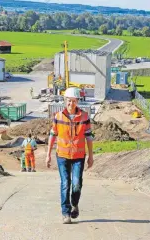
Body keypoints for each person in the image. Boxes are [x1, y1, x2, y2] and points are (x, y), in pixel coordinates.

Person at [45, 87, 94, 224]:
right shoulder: (58, 117)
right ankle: (65, 213)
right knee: (65, 183)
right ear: (64, 101)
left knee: (76, 184)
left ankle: (74, 204)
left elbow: (89, 137)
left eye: (73, 101)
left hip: (79, 156)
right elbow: (52, 135)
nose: (70, 104)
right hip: (62, 155)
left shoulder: (84, 117)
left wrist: (90, 156)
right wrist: (48, 154)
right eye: (68, 100)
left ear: (77, 101)